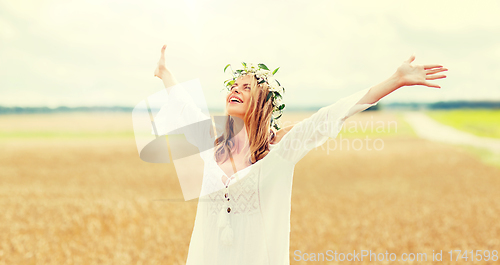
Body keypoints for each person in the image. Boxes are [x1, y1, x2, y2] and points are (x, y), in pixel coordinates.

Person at [151, 44, 448, 265]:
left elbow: (329, 117)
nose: (235, 89)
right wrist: (165, 73)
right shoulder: (211, 145)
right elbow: (184, 108)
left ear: (263, 103)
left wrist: (395, 80)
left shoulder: (280, 151)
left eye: (246, 87)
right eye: (233, 85)